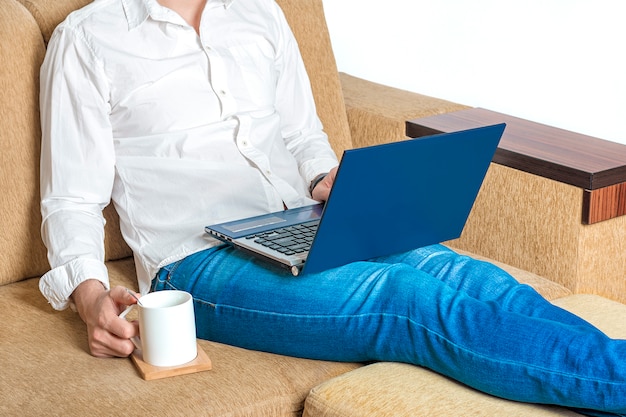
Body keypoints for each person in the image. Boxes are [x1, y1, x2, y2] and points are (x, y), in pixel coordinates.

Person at [39, 0, 625, 415]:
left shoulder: (260, 14)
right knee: (405, 301)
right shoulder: (88, 39)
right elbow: (70, 198)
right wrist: (90, 298)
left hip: (306, 219)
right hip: (197, 261)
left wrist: (326, 179)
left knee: (472, 276)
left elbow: (301, 138)